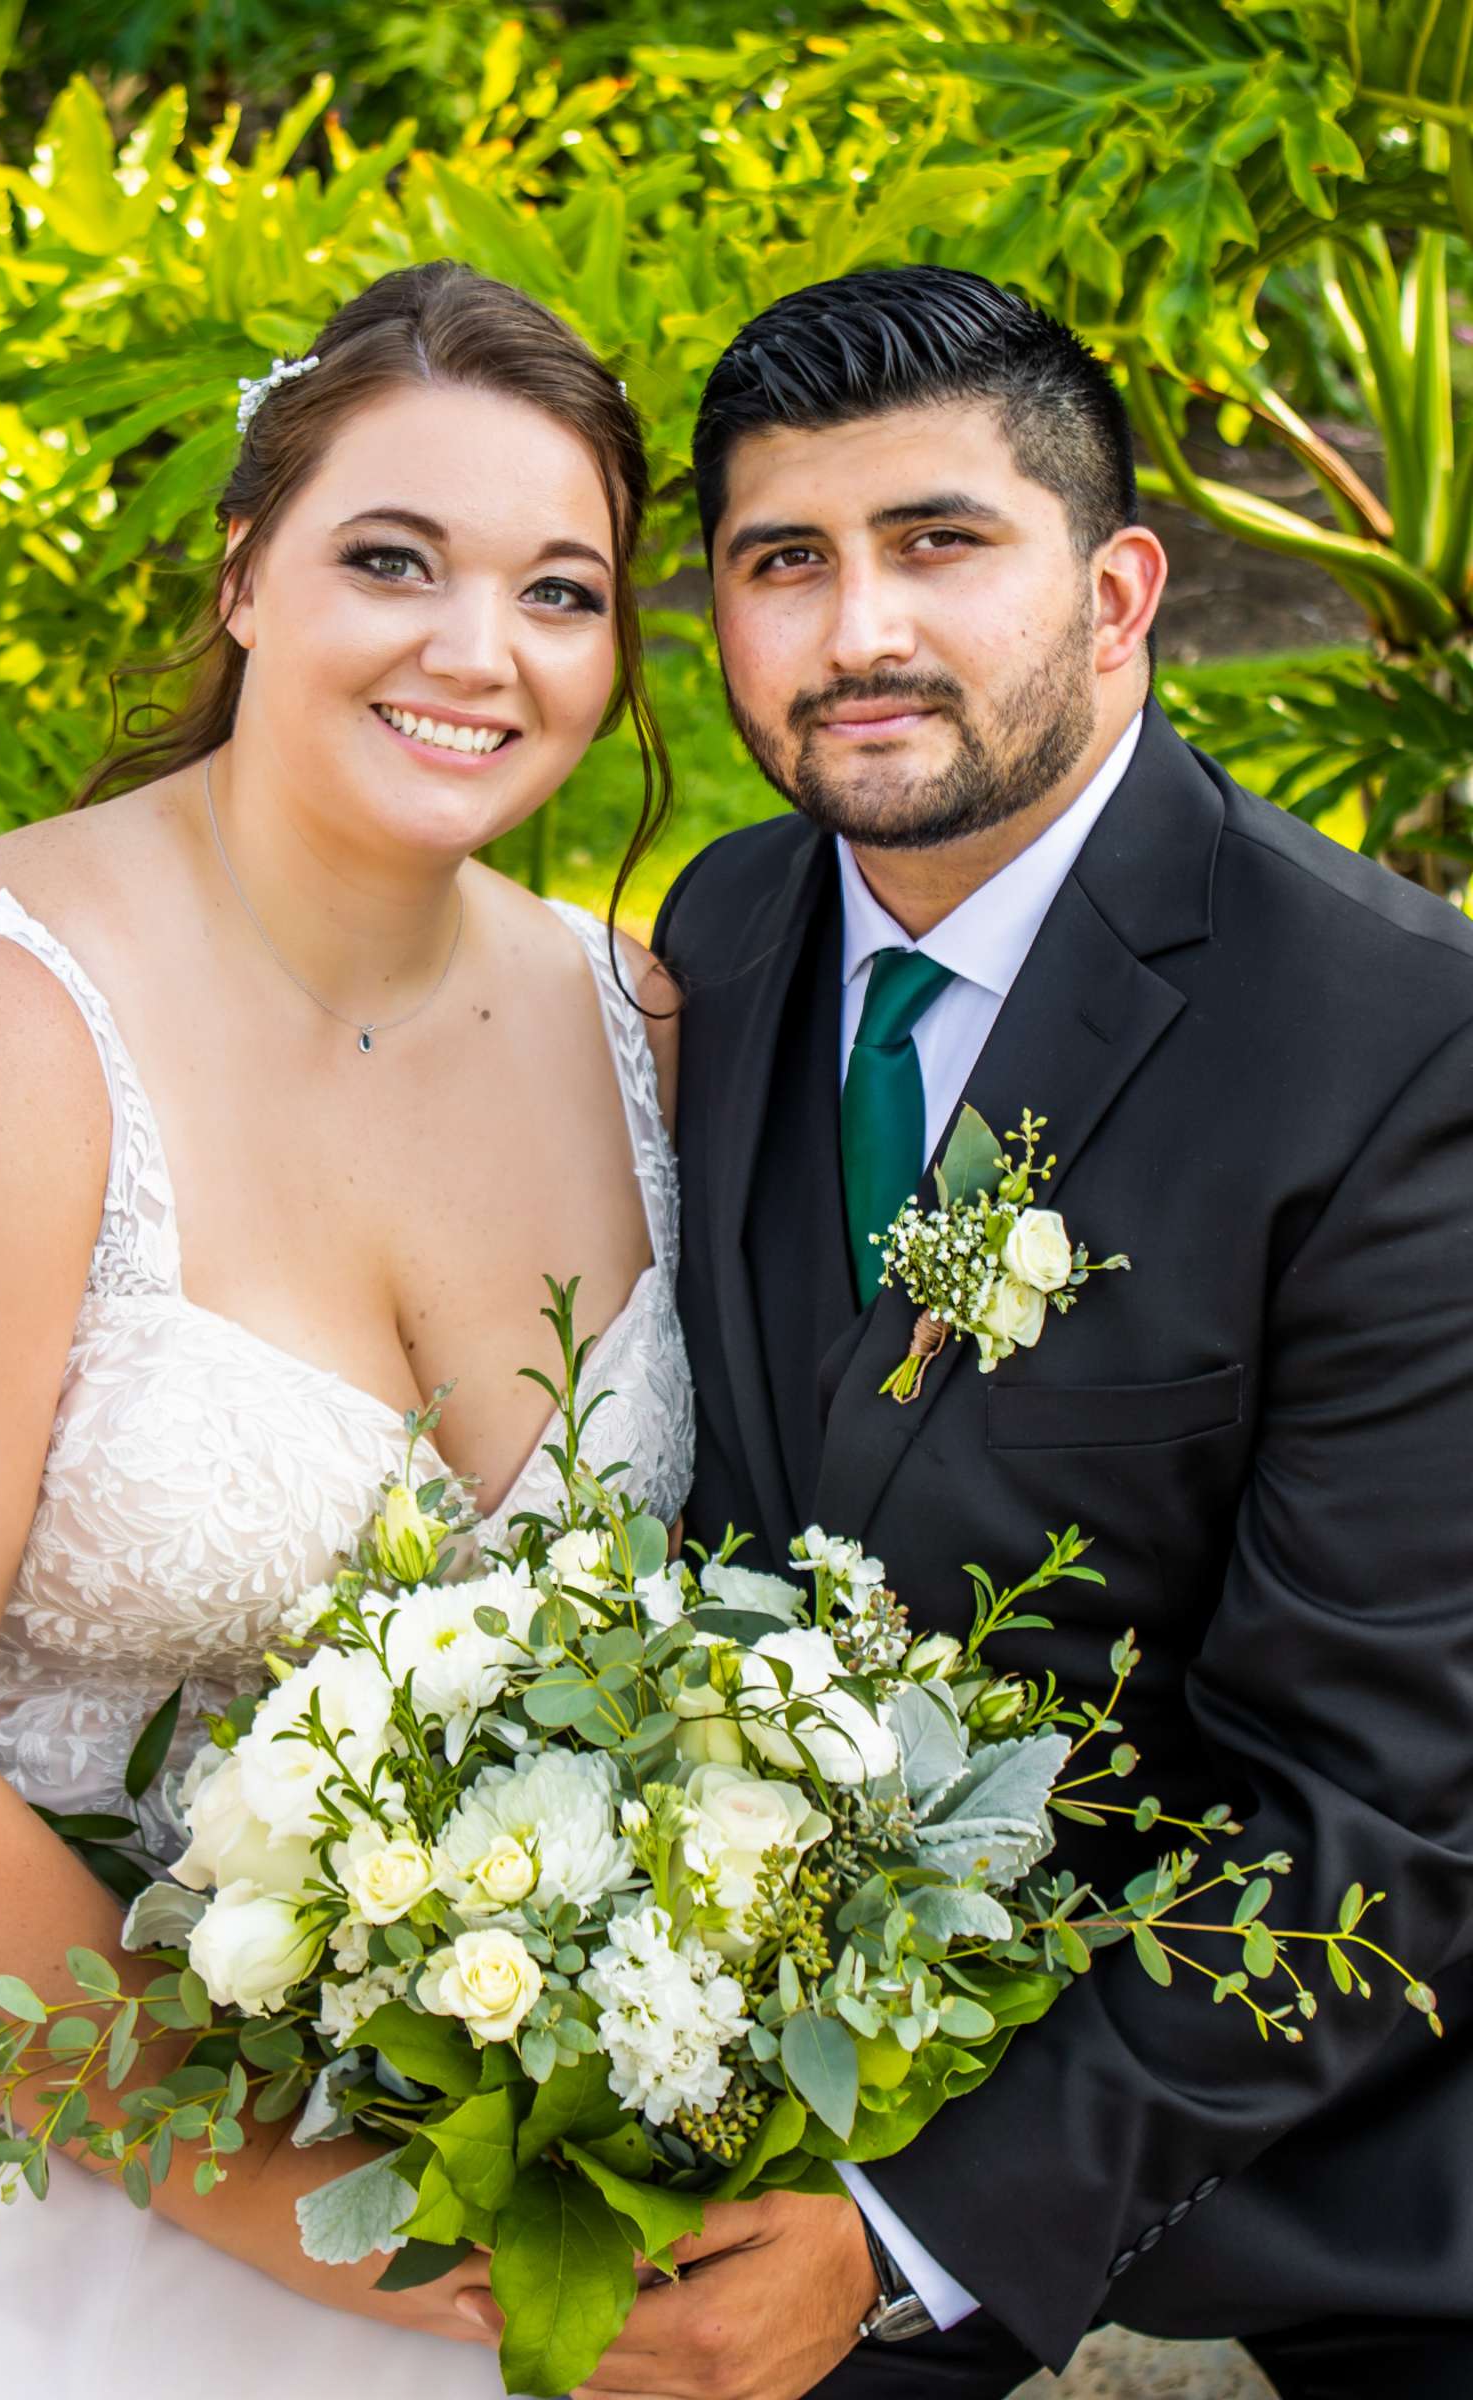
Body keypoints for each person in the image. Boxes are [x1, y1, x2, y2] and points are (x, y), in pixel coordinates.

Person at [594, 266, 1473, 2400]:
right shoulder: (714, 931)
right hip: (801, 2077)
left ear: (1115, 588)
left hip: (1347, 2190)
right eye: (780, 562)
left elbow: (1379, 1799)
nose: (855, 632)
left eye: (938, 543)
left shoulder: (1395, 1040)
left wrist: (903, 2234)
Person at [0, 260, 692, 2396]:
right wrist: (320, 2237)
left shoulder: (642, 1024)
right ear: (245, 573)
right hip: (38, 2215)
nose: (475, 651)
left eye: (560, 591)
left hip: (526, 2210)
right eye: (392, 560)